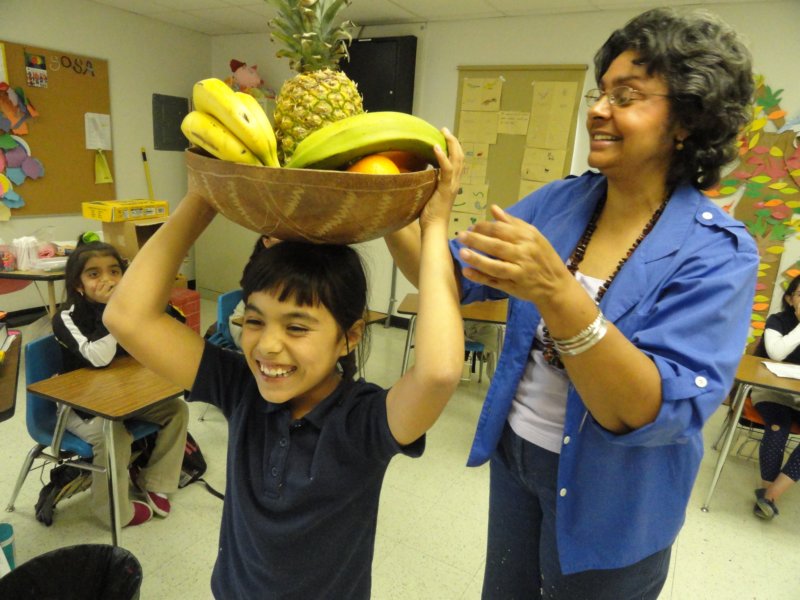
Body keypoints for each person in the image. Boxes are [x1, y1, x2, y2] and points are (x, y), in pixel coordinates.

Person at [386, 8, 759, 599]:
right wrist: (394, 210)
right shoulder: (560, 203)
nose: (598, 109)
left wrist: (558, 292)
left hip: (618, 496)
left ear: (687, 120)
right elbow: (452, 284)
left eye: (627, 95)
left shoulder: (719, 253)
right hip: (517, 459)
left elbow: (649, 410)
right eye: (601, 91)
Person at [103, 130, 464, 598]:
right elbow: (126, 316)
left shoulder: (363, 422)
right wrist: (205, 194)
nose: (268, 347)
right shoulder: (242, 390)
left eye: (297, 328)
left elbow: (437, 372)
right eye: (255, 320)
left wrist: (432, 224)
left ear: (349, 337)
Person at [52, 236, 189, 527]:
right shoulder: (66, 317)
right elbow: (97, 358)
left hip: (123, 394)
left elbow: (177, 326)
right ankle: (113, 511)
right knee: (112, 435)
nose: (107, 279)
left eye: (115, 271)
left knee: (177, 411)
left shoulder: (132, 305)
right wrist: (116, 310)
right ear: (78, 285)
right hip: (79, 406)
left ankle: (155, 481)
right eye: (94, 274)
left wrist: (146, 301)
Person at [751, 274, 800, 520]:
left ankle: (768, 495)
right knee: (777, 428)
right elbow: (777, 354)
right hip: (772, 391)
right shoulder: (777, 321)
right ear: (791, 299)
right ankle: (768, 493)